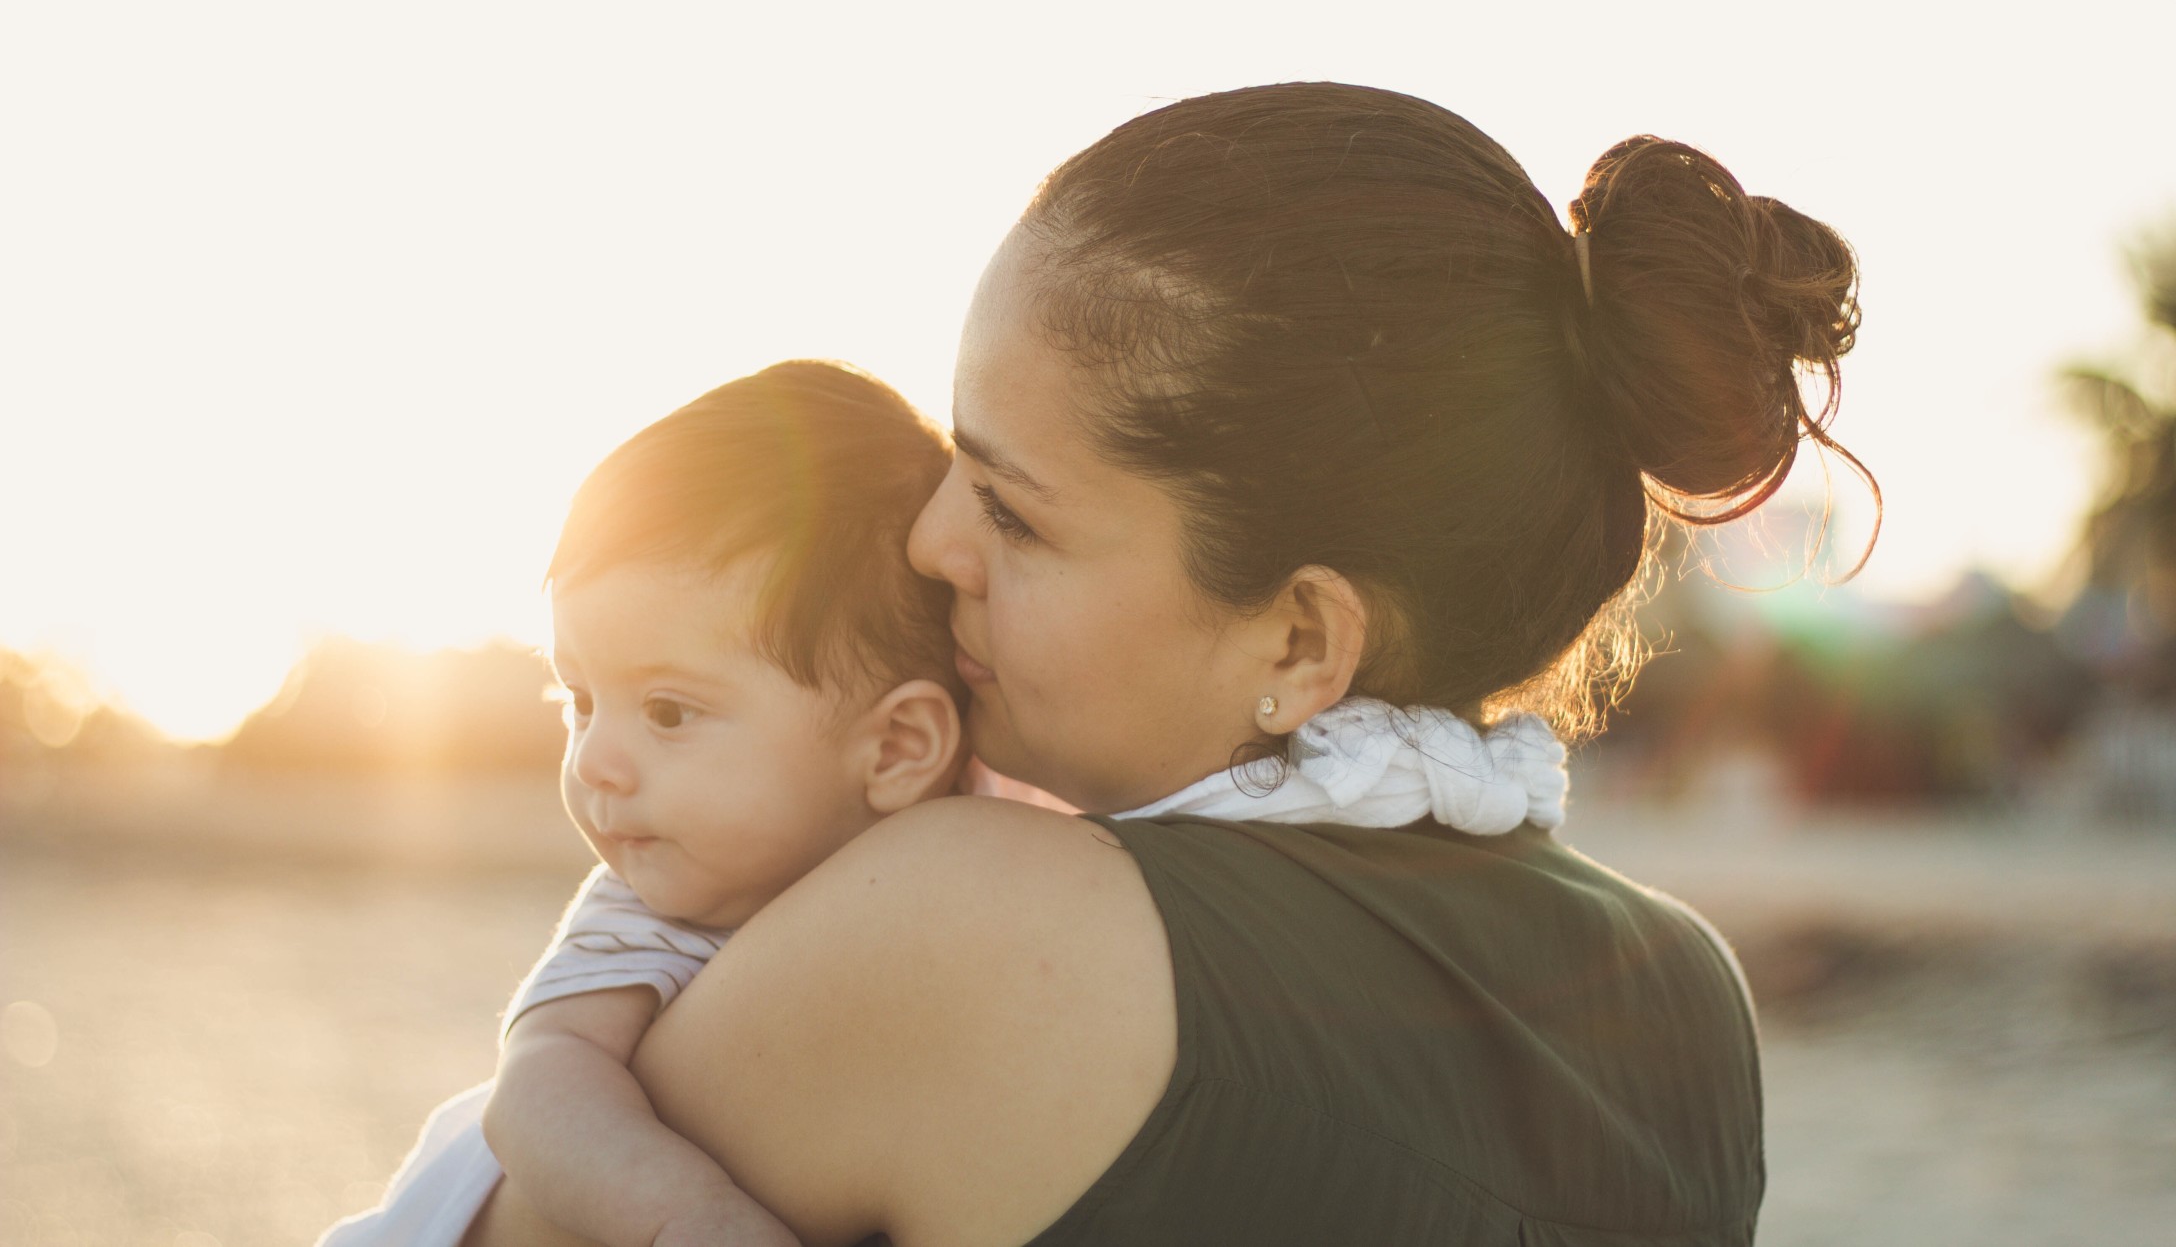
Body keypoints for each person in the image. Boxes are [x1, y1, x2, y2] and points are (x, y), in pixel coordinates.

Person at [472, 81, 1872, 1247]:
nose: (928, 534)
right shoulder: (1687, 997)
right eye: (955, 463)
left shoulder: (975, 913)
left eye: (1012, 509)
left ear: (1300, 639)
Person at [321, 360, 971, 1247]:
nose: (595, 760)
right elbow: (542, 1086)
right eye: (579, 700)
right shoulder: (648, 913)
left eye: (668, 711)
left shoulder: (979, 870)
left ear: (896, 748)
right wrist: (681, 1216)